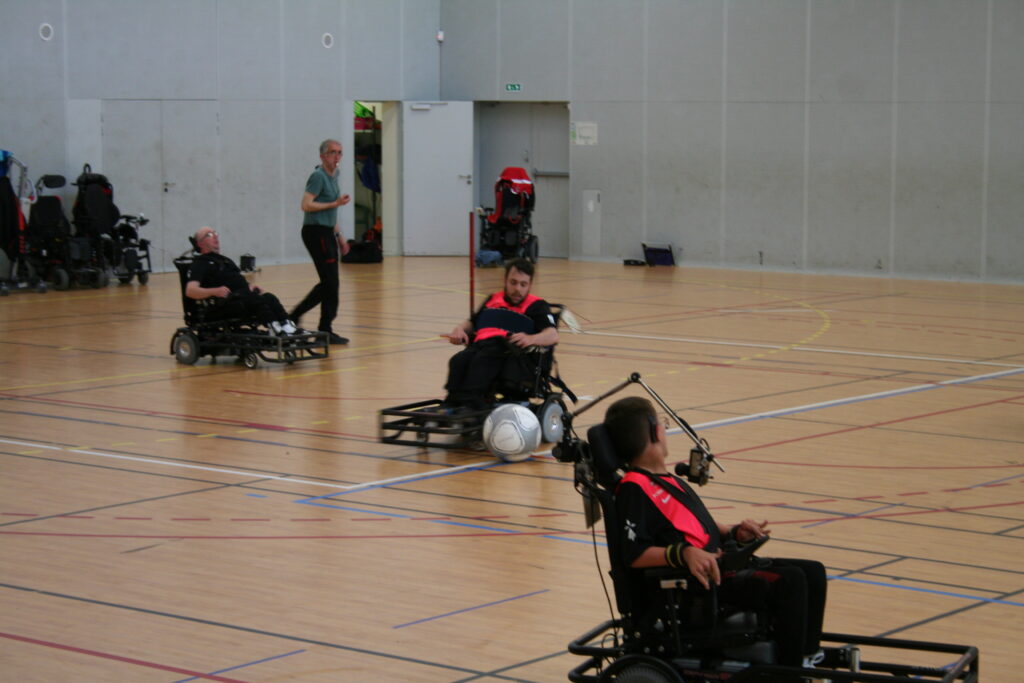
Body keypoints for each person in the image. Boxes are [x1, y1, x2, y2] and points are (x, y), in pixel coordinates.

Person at [604, 396, 827, 669]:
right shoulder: (634, 488)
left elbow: (693, 528)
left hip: (718, 565)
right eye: (661, 423)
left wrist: (734, 532)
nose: (664, 428)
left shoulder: (666, 479)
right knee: (790, 581)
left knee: (814, 572)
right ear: (654, 432)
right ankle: (788, 673)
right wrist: (684, 553)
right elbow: (634, 553)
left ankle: (806, 657)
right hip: (696, 584)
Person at [444, 258, 558, 409]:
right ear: (505, 281)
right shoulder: (493, 299)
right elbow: (473, 322)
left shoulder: (537, 306)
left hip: (510, 352)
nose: (518, 289)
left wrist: (531, 338)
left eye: (523, 284)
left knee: (484, 358)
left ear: (530, 285)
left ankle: (471, 399)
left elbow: (552, 334)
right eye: (513, 282)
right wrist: (459, 329)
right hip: (482, 345)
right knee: (458, 360)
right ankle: (454, 399)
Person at [291, 139, 351, 345]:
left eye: (340, 153)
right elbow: (306, 205)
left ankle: (325, 328)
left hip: (327, 232)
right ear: (323, 156)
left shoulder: (336, 176)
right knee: (330, 283)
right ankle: (297, 315)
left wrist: (340, 237)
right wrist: (335, 202)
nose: (337, 156)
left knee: (332, 283)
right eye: (333, 152)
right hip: (315, 233)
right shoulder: (318, 176)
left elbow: (331, 213)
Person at [186, 226, 297, 335]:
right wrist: (214, 291)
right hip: (221, 305)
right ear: (200, 243)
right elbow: (190, 290)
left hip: (240, 298)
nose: (215, 237)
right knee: (253, 299)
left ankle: (288, 326)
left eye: (215, 233)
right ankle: (275, 328)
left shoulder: (225, 260)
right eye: (209, 235)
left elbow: (236, 279)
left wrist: (249, 286)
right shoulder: (200, 263)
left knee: (269, 297)